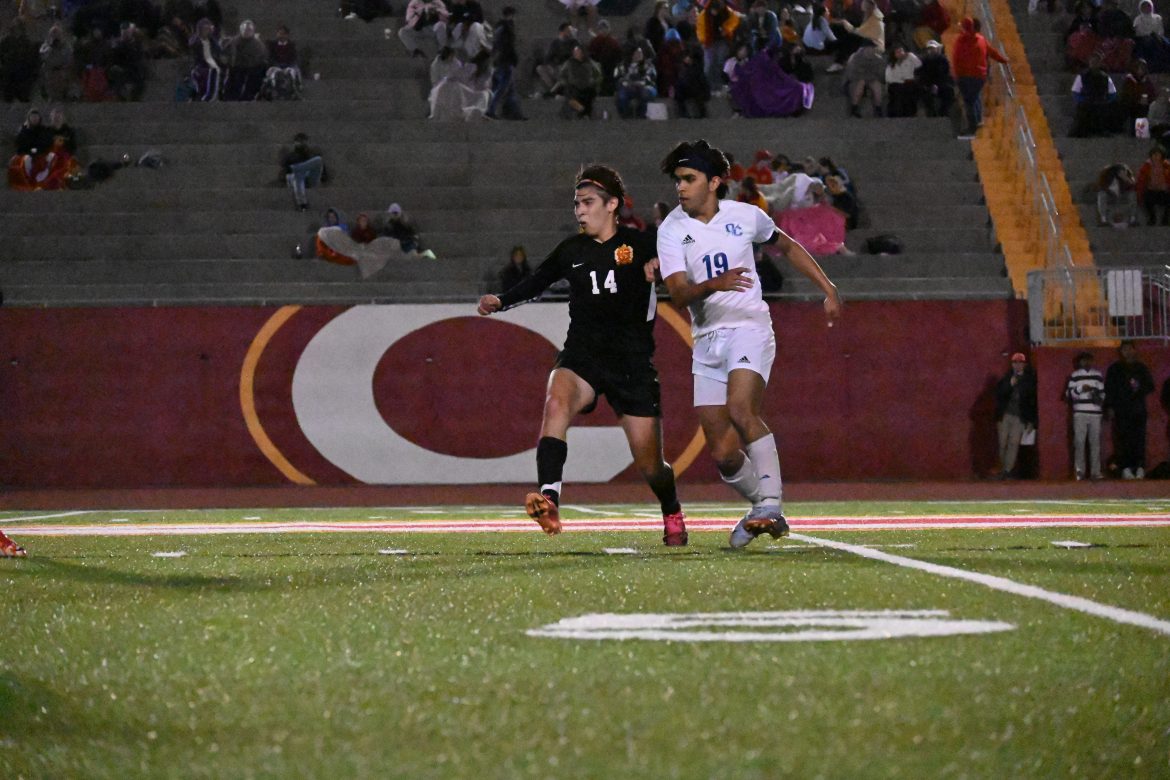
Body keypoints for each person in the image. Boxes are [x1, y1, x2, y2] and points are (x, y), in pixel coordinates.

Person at [476, 164, 689, 546]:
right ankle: (550, 498)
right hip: (583, 355)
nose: (579, 210)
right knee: (556, 402)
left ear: (612, 205)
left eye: (588, 202)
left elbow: (683, 266)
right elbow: (537, 281)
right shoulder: (571, 249)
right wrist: (502, 300)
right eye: (576, 203)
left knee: (650, 465)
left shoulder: (643, 244)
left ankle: (671, 508)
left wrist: (665, 272)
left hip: (632, 363)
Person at [654, 139, 842, 549]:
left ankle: (771, 502)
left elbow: (787, 246)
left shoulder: (746, 216)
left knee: (742, 409)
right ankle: (760, 507)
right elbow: (680, 295)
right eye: (678, 180)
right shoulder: (671, 230)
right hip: (706, 340)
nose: (680, 188)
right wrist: (714, 285)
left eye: (689, 179)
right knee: (722, 452)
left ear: (715, 182)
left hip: (749, 326)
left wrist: (827, 287)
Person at [1105, 340, 1154, 479]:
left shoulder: (1141, 368)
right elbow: (1109, 389)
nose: (1127, 352)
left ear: (1134, 350)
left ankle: (1139, 467)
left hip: (1138, 410)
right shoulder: (1114, 369)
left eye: (1129, 349)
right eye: (1124, 349)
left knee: (1139, 439)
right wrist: (1109, 406)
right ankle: (1125, 468)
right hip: (1121, 411)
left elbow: (1150, 386)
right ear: (1120, 352)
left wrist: (1139, 388)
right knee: (1122, 440)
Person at [952, 16, 1007, 138]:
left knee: (969, 101)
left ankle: (972, 127)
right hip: (980, 76)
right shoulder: (981, 39)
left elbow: (956, 59)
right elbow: (992, 52)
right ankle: (978, 121)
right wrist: (1004, 60)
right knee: (975, 97)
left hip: (965, 76)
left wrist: (956, 76)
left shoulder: (960, 41)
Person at [993, 352, 1038, 479]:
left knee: (1013, 443)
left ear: (1024, 364)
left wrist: (1031, 421)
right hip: (1005, 415)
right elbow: (999, 394)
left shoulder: (1029, 380)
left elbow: (1031, 401)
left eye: (1020, 362)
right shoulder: (1007, 378)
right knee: (1002, 443)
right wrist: (1010, 384)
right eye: (1015, 362)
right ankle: (1002, 467)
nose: (1018, 365)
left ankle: (1007, 470)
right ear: (1012, 364)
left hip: (1019, 416)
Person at [1064, 351, 1105, 480]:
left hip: (1095, 413)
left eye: (1088, 360)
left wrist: (1096, 396)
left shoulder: (1098, 375)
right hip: (1080, 412)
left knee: (1095, 443)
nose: (1086, 363)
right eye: (1083, 360)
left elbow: (1103, 394)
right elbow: (1069, 394)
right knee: (1079, 442)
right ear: (1079, 362)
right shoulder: (1075, 376)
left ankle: (1095, 472)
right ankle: (1079, 472)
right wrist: (1081, 389)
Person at [486, 6, 523, 120]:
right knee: (503, 87)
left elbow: (496, 45)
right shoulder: (505, 27)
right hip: (505, 60)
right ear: (510, 15)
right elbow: (506, 46)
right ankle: (491, 110)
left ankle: (514, 113)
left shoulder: (502, 27)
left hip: (502, 60)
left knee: (509, 88)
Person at [280, 132, 327, 211]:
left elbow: (320, 168)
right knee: (297, 176)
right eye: (299, 141)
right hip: (296, 179)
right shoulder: (290, 156)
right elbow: (285, 170)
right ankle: (302, 204)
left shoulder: (312, 154)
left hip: (309, 177)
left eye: (303, 141)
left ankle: (298, 169)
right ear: (295, 142)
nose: (301, 143)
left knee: (318, 160)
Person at [222, 19, 267, 101]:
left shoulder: (258, 44)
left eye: (249, 30)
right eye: (244, 29)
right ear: (241, 30)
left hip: (252, 69)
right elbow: (224, 53)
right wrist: (227, 61)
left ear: (253, 31)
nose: (246, 31)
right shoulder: (234, 41)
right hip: (235, 68)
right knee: (232, 85)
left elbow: (261, 58)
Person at [556, 44, 602, 118]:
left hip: (587, 87)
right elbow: (562, 75)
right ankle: (580, 109)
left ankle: (584, 111)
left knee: (589, 95)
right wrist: (565, 82)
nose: (576, 53)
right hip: (573, 87)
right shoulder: (569, 63)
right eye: (575, 51)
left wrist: (594, 81)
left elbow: (598, 74)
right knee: (570, 94)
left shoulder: (589, 63)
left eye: (578, 51)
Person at [916, 39, 954, 119]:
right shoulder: (923, 61)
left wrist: (937, 85)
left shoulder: (943, 60)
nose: (931, 51)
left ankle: (943, 112)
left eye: (933, 48)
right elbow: (921, 74)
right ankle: (931, 113)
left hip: (942, 84)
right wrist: (928, 85)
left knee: (949, 93)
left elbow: (944, 74)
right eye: (929, 49)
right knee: (925, 94)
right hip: (928, 84)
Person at [615, 46, 657, 118]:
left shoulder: (648, 65)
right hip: (628, 87)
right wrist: (628, 83)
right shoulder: (622, 65)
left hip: (645, 87)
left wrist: (640, 83)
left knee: (644, 94)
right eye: (637, 53)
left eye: (640, 53)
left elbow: (651, 77)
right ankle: (626, 115)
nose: (639, 55)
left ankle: (641, 115)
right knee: (622, 96)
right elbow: (619, 78)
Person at [1135, 146, 1170, 225]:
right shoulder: (1146, 166)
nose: (1155, 156)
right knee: (1146, 198)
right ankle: (1152, 217)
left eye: (1158, 154)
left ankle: (1166, 218)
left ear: (1162, 155)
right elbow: (1141, 180)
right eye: (1153, 154)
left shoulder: (1167, 166)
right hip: (1151, 191)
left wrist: (1166, 187)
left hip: (1164, 191)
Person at [884, 44, 921, 117]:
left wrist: (911, 56)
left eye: (901, 51)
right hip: (896, 84)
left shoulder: (910, 59)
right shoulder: (891, 65)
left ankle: (911, 113)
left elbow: (919, 64)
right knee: (898, 91)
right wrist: (901, 81)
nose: (900, 53)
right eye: (897, 52)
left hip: (909, 82)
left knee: (910, 89)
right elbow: (889, 78)